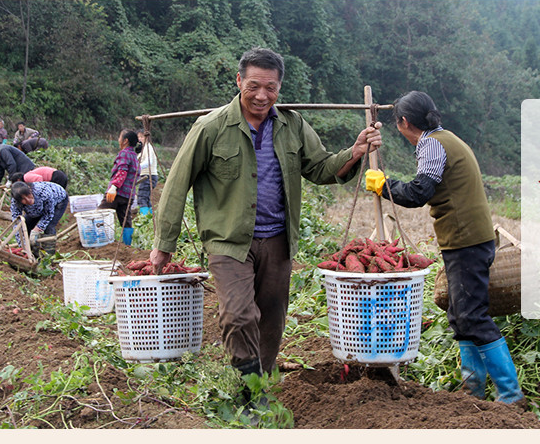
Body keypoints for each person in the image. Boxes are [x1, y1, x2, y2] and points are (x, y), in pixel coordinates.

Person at [149, 47, 379, 391]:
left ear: (279, 88)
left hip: (278, 240)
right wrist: (163, 245)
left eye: (270, 88)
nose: (261, 95)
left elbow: (320, 168)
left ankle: (261, 382)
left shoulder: (292, 125)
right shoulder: (210, 127)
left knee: (272, 319)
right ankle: (249, 387)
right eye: (253, 85)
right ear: (239, 80)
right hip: (229, 241)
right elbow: (177, 185)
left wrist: (356, 151)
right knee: (239, 315)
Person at [367, 90, 526, 409]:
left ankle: (511, 396)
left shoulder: (431, 144)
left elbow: (418, 192)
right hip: (467, 238)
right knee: (459, 314)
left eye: (398, 125)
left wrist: (385, 185)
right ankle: (473, 390)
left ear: (403, 122)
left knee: (472, 315)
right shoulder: (446, 137)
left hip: (466, 239)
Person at [98, 129, 140, 246]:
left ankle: (98, 243)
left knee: (99, 214)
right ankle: (127, 246)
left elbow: (122, 171)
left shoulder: (124, 153)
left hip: (117, 194)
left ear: (125, 140)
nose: (118, 140)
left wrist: (114, 187)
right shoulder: (134, 156)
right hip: (128, 195)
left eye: (120, 137)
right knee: (126, 221)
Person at [9, 180, 68, 255]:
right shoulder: (15, 203)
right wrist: (23, 245)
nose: (28, 200)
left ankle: (49, 256)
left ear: (30, 190)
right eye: (23, 199)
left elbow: (48, 214)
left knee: (49, 227)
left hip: (58, 201)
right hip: (35, 209)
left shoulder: (43, 192)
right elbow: (17, 224)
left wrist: (37, 229)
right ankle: (33, 253)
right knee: (26, 226)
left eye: (28, 195)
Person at [136, 129, 159, 215]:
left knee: (141, 198)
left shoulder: (148, 147)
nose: (140, 139)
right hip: (146, 175)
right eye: (138, 137)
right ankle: (149, 218)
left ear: (147, 137)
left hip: (148, 176)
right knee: (146, 198)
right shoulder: (144, 148)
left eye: (141, 137)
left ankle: (144, 217)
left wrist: (138, 167)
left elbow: (149, 161)